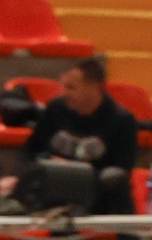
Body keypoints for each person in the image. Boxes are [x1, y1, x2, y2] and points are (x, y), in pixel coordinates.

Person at [11, 59, 144, 215]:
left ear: (95, 87)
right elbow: (30, 151)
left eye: (71, 88)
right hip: (55, 192)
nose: (64, 93)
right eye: (63, 86)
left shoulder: (122, 120)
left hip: (99, 197)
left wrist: (71, 170)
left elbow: (120, 171)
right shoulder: (55, 109)